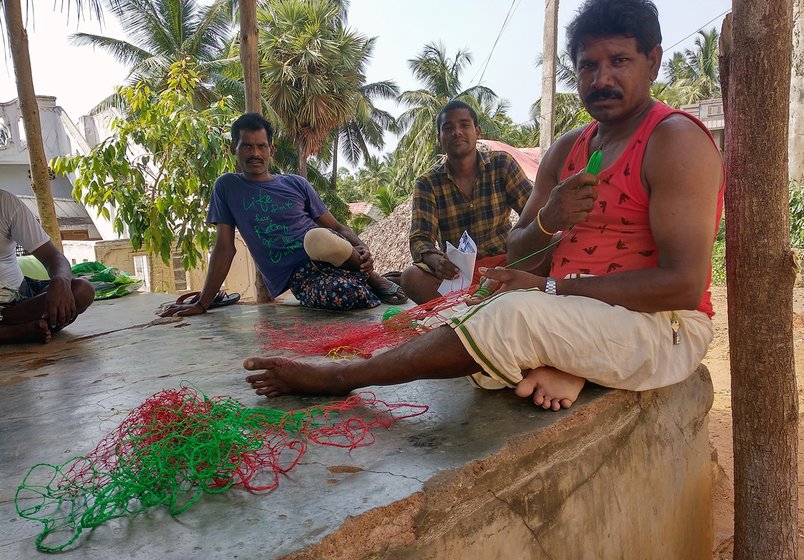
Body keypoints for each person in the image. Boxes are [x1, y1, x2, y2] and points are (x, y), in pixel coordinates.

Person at [243, 0, 725, 411]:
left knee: (510, 319)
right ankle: (570, 362)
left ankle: (341, 379)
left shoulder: (674, 141)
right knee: (459, 314)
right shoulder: (568, 148)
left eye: (619, 61)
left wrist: (551, 290)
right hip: (580, 307)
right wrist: (549, 219)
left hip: (662, 327)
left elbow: (682, 286)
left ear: (654, 61)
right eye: (587, 66)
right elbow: (518, 249)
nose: (601, 79)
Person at [160, 113, 406, 317]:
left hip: (332, 255)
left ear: (271, 150)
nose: (255, 153)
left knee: (318, 238)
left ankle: (372, 276)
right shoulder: (227, 187)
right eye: (247, 146)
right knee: (344, 293)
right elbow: (225, 248)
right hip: (301, 277)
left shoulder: (296, 184)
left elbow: (338, 227)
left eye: (261, 146)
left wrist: (361, 247)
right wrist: (203, 302)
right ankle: (371, 281)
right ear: (235, 148)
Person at [399, 100, 533, 304]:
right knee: (411, 277)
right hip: (458, 275)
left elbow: (533, 212)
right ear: (440, 138)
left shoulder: (502, 165)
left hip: (505, 265)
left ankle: (467, 311)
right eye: (448, 128)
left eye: (464, 125)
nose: (457, 132)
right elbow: (420, 238)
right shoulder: (428, 183)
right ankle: (473, 307)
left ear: (477, 131)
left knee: (551, 244)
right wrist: (435, 261)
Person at [0, 189, 95, 344]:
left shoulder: (5, 203)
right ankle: (15, 332)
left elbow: (54, 257)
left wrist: (61, 282)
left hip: (20, 300)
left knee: (82, 290)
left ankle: (8, 328)